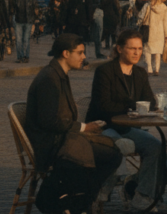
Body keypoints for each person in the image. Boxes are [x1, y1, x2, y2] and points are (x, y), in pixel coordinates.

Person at [25, 34, 123, 214]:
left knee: (112, 152)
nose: (84, 57)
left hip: (61, 138)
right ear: (65, 53)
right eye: (80, 53)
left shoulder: (58, 74)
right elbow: (49, 121)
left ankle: (76, 199)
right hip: (51, 144)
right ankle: (75, 200)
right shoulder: (49, 78)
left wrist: (84, 128)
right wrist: (84, 128)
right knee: (106, 155)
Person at [85, 30, 162, 209]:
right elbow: (104, 106)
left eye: (140, 48)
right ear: (119, 49)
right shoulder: (105, 71)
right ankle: (102, 190)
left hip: (129, 127)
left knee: (155, 146)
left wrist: (132, 107)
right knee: (120, 145)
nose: (137, 53)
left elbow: (150, 102)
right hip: (104, 126)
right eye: (132, 48)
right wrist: (132, 105)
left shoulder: (140, 73)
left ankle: (141, 193)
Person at [139, 0, 167, 76]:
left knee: (147, 51)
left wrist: (138, 24)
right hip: (160, 32)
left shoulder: (148, 6)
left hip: (149, 30)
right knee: (157, 52)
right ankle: (156, 69)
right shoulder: (164, 7)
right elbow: (165, 22)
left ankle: (149, 69)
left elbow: (141, 16)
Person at [12, 0, 39, 64]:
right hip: (18, 21)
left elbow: (36, 9)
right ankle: (20, 57)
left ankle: (26, 57)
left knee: (26, 39)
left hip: (28, 21)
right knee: (18, 40)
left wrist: (36, 21)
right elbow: (12, 10)